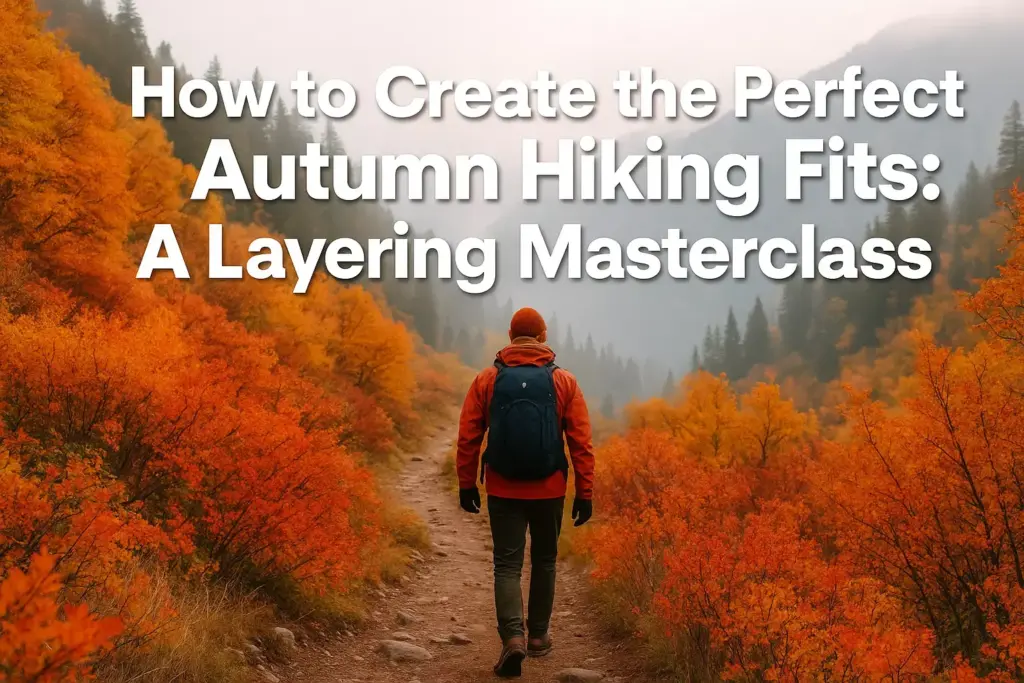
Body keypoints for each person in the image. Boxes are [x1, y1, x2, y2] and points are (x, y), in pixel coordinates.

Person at [455, 307, 595, 678]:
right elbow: (581, 442)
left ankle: (512, 639)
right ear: (543, 337)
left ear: (510, 335)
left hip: (503, 486)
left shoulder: (488, 379)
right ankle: (537, 638)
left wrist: (466, 483)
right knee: (545, 561)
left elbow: (468, 436)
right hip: (550, 488)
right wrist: (585, 492)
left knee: (507, 564)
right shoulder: (563, 381)